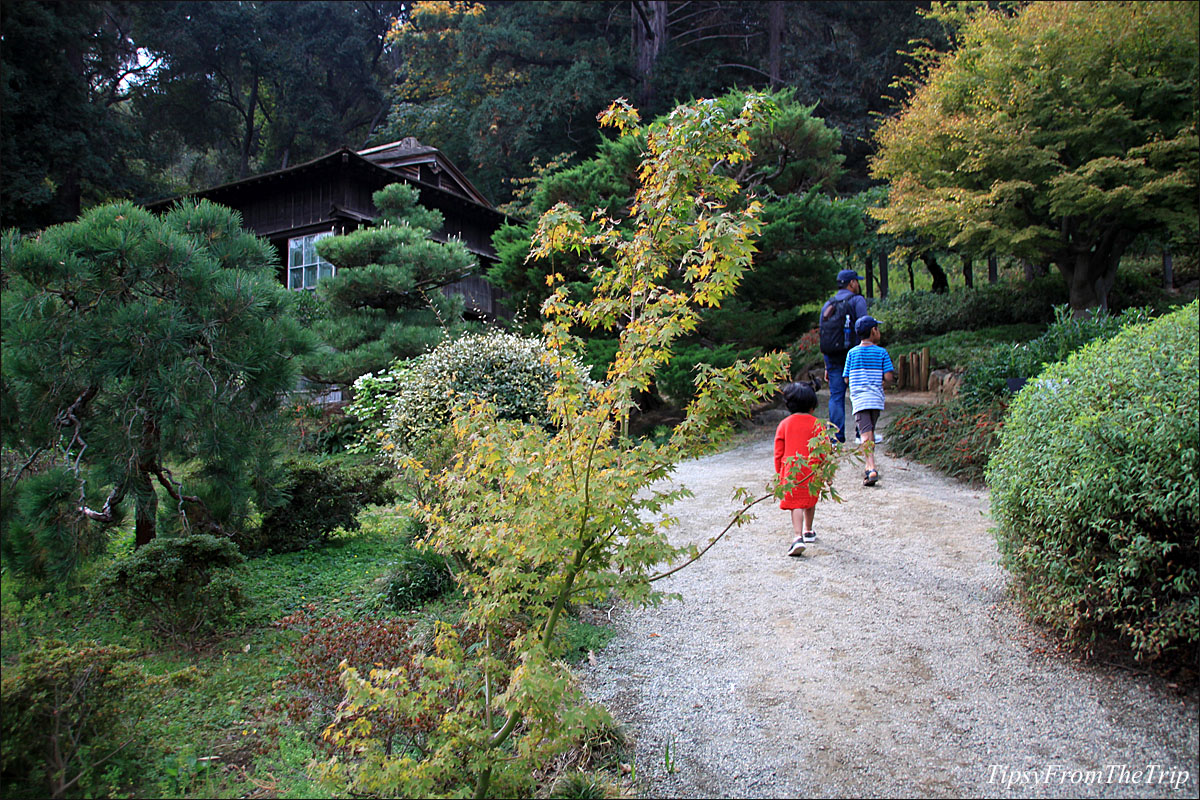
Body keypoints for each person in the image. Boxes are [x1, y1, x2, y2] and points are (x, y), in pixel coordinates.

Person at [843, 315, 895, 487]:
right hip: (876, 399)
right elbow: (888, 376)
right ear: (874, 331)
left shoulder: (852, 353)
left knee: (865, 433)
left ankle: (871, 467)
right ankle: (869, 464)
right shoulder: (882, 352)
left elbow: (846, 379)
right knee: (869, 430)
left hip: (860, 399)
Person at [774, 382, 824, 556]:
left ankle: (797, 536)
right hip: (813, 467)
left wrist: (780, 471)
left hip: (792, 469)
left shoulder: (784, 424)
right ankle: (808, 530)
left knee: (796, 503)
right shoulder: (817, 424)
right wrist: (826, 472)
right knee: (810, 498)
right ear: (812, 405)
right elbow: (824, 449)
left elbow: (778, 451)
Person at [821, 269, 869, 444]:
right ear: (852, 283)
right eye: (857, 281)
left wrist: (827, 365)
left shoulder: (828, 304)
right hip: (855, 355)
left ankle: (835, 436)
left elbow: (824, 336)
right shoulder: (857, 300)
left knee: (836, 395)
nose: (858, 284)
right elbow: (865, 328)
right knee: (860, 393)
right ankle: (861, 433)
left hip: (833, 356)